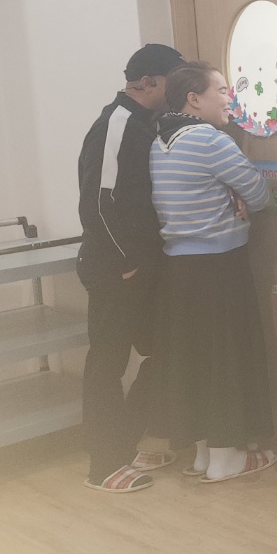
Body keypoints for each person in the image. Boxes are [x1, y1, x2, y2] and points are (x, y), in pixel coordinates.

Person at [150, 62, 276, 482]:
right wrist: (235, 191)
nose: (229, 98)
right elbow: (259, 194)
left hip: (179, 266)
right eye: (221, 90)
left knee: (197, 359)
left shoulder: (161, 140)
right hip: (218, 266)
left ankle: (205, 454)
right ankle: (226, 459)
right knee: (226, 358)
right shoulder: (209, 139)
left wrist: (227, 189)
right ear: (194, 99)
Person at [77, 43, 187, 493]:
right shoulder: (116, 124)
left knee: (165, 349)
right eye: (173, 83)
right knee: (107, 363)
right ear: (147, 83)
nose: (179, 91)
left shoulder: (149, 124)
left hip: (141, 267)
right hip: (113, 269)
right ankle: (103, 465)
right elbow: (97, 203)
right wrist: (125, 262)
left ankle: (129, 441)